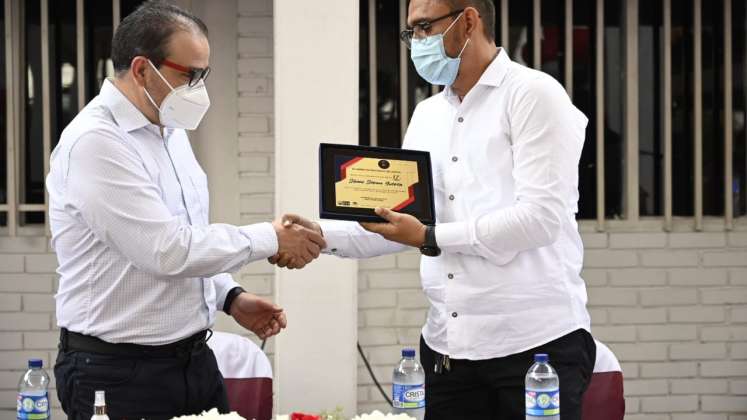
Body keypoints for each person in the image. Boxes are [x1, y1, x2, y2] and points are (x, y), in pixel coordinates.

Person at [273, 0, 595, 418]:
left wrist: (428, 237)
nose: (416, 43)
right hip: (448, 346)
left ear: (468, 21)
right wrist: (317, 236)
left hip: (534, 349)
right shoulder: (427, 115)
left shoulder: (533, 94)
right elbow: (403, 221)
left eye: (424, 27)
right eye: (411, 32)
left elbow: (540, 219)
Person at [46, 2, 323, 419]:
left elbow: (189, 233)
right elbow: (166, 250)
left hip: (192, 359)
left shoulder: (167, 129)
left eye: (203, 74)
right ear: (142, 70)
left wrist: (229, 297)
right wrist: (271, 237)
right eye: (189, 74)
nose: (199, 88)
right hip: (117, 373)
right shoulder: (96, 142)